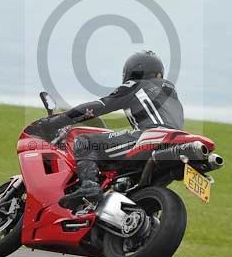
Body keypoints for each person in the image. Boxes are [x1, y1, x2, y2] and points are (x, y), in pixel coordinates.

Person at [38, 50, 184, 209]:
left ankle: (89, 186)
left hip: (153, 136)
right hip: (175, 144)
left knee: (85, 142)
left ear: (132, 71)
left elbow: (99, 106)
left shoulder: (135, 85)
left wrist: (58, 120)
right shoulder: (171, 93)